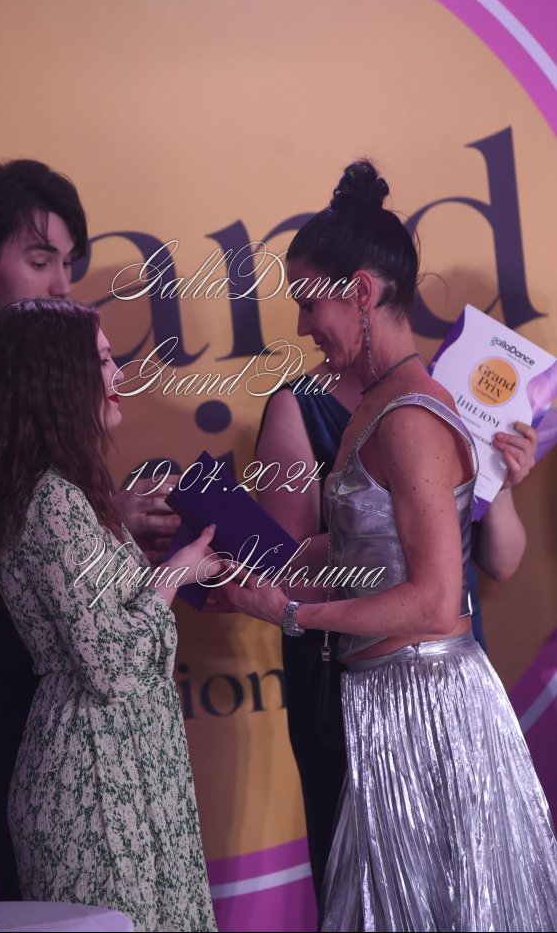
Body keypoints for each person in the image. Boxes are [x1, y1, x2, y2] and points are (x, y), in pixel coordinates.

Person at [222, 160, 557, 931]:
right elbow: (360, 548)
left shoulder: (407, 417)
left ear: (363, 291)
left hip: (422, 710)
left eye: (310, 303)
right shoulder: (383, 405)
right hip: (383, 703)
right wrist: (245, 566)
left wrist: (293, 613)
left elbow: (437, 600)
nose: (303, 326)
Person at [0, 159, 177, 897]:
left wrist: (104, 532)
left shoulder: (64, 369)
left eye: (69, 263)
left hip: (61, 701)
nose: (61, 284)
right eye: (41, 260)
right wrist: (79, 524)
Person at [0, 298, 217, 933]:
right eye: (103, 360)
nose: (117, 374)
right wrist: (176, 574)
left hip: (126, 760)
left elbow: (108, 624)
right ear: (58, 377)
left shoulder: (71, 490)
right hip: (94, 780)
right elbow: (111, 664)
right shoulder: (53, 500)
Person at [255, 364, 537, 899]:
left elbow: (502, 560)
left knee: (470, 878)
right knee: (367, 886)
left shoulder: (437, 395)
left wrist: (497, 482)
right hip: (349, 684)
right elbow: (288, 572)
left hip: (451, 681)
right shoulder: (301, 405)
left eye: (313, 313)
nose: (305, 327)